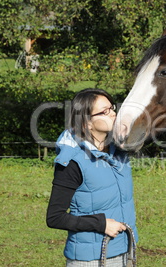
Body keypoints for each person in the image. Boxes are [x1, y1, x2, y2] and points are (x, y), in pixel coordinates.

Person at [46, 88, 138, 266]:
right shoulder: (72, 162)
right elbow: (54, 217)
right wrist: (101, 224)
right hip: (91, 260)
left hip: (126, 251)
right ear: (86, 123)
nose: (113, 114)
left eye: (112, 108)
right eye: (105, 111)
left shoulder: (119, 151)